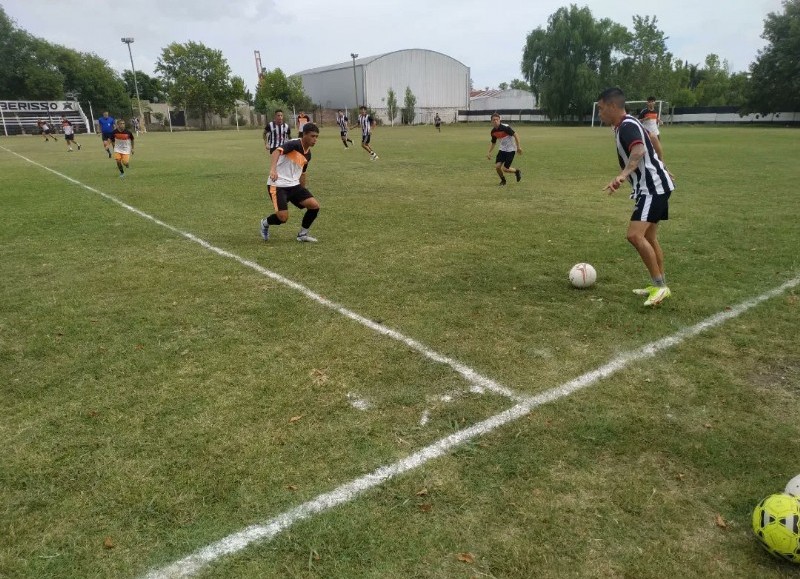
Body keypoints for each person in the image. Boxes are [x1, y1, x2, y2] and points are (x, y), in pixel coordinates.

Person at [597, 87, 675, 307]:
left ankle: (660, 287)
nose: (600, 114)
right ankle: (660, 286)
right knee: (649, 237)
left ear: (613, 106)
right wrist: (661, 164)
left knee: (634, 236)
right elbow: (652, 138)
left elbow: (639, 149)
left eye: (602, 109)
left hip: (652, 188)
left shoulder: (627, 125)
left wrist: (623, 175)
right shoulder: (629, 122)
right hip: (653, 185)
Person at [260, 123, 321, 243]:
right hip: (277, 185)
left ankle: (302, 235)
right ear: (304, 135)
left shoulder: (308, 154)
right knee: (282, 218)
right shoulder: (294, 144)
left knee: (314, 206)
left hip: (294, 185)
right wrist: (273, 169)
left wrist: (303, 190)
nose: (315, 140)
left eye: (316, 137)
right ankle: (265, 223)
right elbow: (276, 152)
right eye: (312, 136)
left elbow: (302, 173)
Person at [486, 113, 522, 186]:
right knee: (497, 167)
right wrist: (489, 152)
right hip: (502, 150)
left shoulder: (505, 128)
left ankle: (516, 171)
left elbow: (516, 135)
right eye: (494, 120)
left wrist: (518, 147)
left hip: (511, 150)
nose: (495, 121)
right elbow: (493, 142)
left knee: (505, 169)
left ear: (500, 120)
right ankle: (503, 181)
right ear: (491, 122)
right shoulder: (493, 132)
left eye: (497, 119)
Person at [638, 96, 665, 161]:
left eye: (652, 101)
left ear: (654, 102)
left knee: (658, 148)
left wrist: (659, 121)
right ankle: (647, 160)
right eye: (649, 102)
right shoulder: (644, 111)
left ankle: (658, 161)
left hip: (656, 133)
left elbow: (656, 118)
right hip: (647, 133)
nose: (651, 103)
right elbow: (638, 120)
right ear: (647, 103)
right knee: (647, 148)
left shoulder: (655, 111)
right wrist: (645, 119)